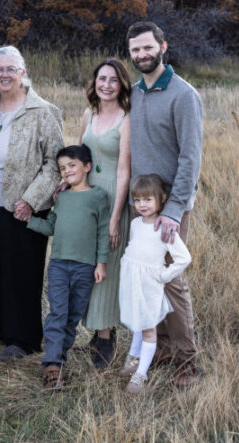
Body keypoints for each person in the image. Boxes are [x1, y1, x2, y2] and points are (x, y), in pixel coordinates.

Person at [127, 20, 203, 388]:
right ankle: (158, 350)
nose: (142, 55)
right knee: (144, 278)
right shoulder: (135, 92)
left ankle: (186, 358)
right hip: (140, 204)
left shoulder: (183, 94)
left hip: (170, 207)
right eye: (135, 50)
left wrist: (173, 211)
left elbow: (190, 158)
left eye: (147, 47)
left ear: (163, 46)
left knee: (170, 280)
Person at [0, 46, 64, 362]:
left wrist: (29, 200)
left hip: (24, 206)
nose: (4, 74)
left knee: (23, 271)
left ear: (23, 72)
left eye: (11, 69)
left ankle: (24, 340)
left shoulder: (42, 111)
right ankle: (5, 332)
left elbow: (55, 164)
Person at [26, 145, 110, 389]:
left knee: (72, 317)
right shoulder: (61, 197)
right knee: (58, 313)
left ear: (87, 167)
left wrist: (101, 263)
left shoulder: (98, 197)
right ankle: (52, 365)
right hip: (59, 265)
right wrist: (29, 220)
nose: (67, 171)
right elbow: (51, 226)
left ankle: (59, 357)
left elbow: (103, 231)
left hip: (85, 267)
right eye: (62, 168)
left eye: (72, 165)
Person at [77, 58, 133, 369]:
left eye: (113, 80)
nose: (107, 85)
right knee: (88, 265)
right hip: (87, 196)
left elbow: (124, 171)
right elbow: (78, 155)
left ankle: (106, 337)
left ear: (121, 84)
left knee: (107, 264)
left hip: (113, 195)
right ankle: (94, 333)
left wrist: (115, 218)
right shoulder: (88, 113)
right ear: (94, 82)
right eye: (102, 79)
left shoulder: (126, 119)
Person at [118, 175, 192, 395]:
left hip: (150, 284)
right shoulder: (135, 223)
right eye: (138, 200)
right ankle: (133, 359)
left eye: (148, 200)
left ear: (162, 199)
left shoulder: (164, 228)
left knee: (149, 328)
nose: (142, 205)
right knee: (138, 321)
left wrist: (164, 275)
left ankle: (141, 374)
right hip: (132, 281)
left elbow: (183, 258)